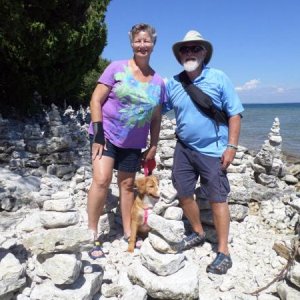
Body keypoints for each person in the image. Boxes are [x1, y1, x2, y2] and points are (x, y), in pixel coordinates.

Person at [164, 30, 244, 274]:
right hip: (184, 148)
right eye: (185, 49)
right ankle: (198, 232)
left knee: (218, 198)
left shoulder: (219, 78)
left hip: (214, 150)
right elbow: (156, 108)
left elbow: (235, 113)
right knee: (184, 192)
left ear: (204, 52)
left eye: (195, 48)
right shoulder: (174, 83)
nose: (190, 52)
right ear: (179, 55)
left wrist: (231, 147)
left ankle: (223, 251)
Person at [87, 23, 166, 259]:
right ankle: (91, 233)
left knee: (127, 186)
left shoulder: (158, 81)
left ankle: (127, 232)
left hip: (134, 142)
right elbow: (95, 100)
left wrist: (153, 144)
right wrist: (98, 133)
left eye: (146, 41)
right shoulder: (116, 68)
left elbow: (156, 117)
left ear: (153, 43)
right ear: (132, 43)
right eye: (138, 41)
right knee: (101, 180)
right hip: (106, 134)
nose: (142, 45)